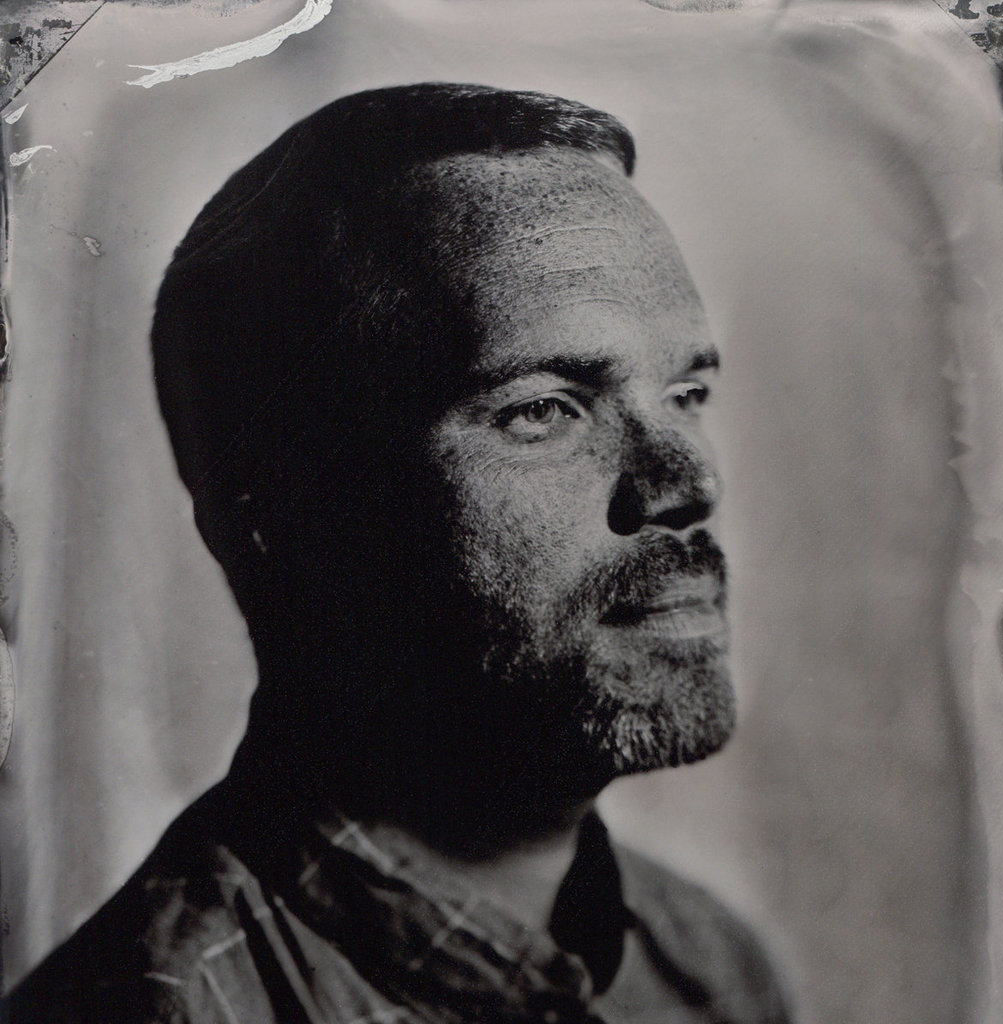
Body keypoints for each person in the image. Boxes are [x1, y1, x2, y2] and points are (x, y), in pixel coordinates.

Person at [7, 83, 791, 1023]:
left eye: (686, 395)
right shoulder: (158, 1006)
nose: (690, 482)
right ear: (283, 518)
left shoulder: (706, 963)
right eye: (544, 409)